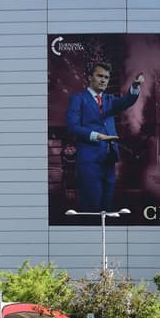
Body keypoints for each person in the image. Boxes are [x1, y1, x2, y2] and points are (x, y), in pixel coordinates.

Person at [66, 62, 145, 211]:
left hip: (109, 160)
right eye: (99, 76)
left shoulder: (110, 100)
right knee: (92, 205)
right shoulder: (78, 99)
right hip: (89, 160)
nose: (103, 80)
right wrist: (97, 136)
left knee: (107, 207)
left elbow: (127, 101)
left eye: (106, 77)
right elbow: (72, 127)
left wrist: (134, 86)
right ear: (90, 77)